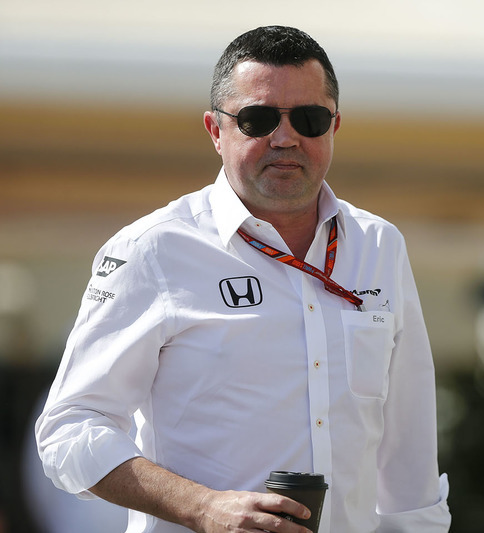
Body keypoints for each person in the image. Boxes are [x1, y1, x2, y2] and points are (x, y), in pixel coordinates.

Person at [35, 26, 450, 533]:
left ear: (335, 126)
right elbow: (69, 428)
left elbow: (408, 456)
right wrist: (202, 507)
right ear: (215, 129)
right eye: (257, 119)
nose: (285, 137)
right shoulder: (153, 249)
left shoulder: (380, 246)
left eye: (309, 118)